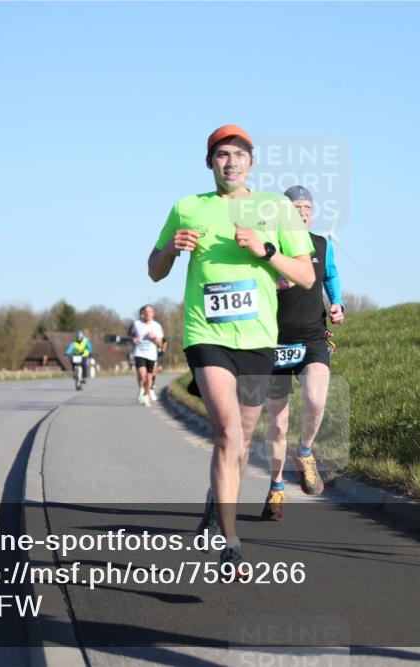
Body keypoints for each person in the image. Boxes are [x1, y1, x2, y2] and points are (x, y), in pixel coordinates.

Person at [148, 124, 315, 573]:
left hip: (259, 338)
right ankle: (231, 540)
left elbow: (305, 275)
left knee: (241, 442)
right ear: (210, 163)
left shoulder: (277, 208)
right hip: (207, 334)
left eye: (240, 154)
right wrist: (171, 251)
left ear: (252, 162)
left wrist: (265, 252)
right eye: (222, 154)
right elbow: (154, 270)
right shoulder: (187, 208)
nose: (231, 162)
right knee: (227, 432)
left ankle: (212, 503)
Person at [261, 185, 345, 521]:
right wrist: (276, 282)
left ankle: (306, 452)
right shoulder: (271, 246)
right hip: (274, 341)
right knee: (278, 424)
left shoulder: (321, 244)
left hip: (312, 338)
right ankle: (277, 487)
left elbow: (331, 276)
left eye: (308, 206)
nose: (303, 212)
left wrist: (337, 303)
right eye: (296, 207)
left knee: (316, 398)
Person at [130, 305, 165, 407]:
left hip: (151, 354)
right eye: (145, 311)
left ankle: (146, 393)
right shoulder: (136, 324)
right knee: (142, 374)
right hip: (139, 352)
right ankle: (141, 390)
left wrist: (154, 338)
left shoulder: (157, 326)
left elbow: (162, 343)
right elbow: (131, 334)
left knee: (149, 377)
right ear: (142, 313)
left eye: (150, 312)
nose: (147, 313)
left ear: (153, 314)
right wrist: (134, 339)